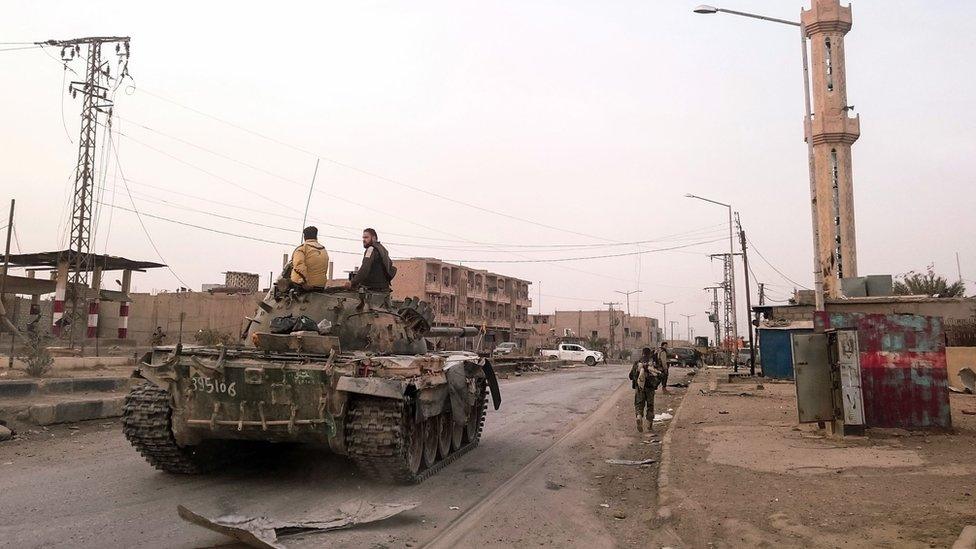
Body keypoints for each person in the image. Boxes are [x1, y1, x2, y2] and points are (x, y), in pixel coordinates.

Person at [629, 347, 662, 432]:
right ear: (650, 353)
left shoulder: (637, 363)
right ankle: (649, 425)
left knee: (639, 404)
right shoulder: (653, 363)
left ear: (642, 353)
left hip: (640, 388)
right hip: (650, 388)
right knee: (650, 406)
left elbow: (631, 376)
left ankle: (639, 417)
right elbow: (659, 375)